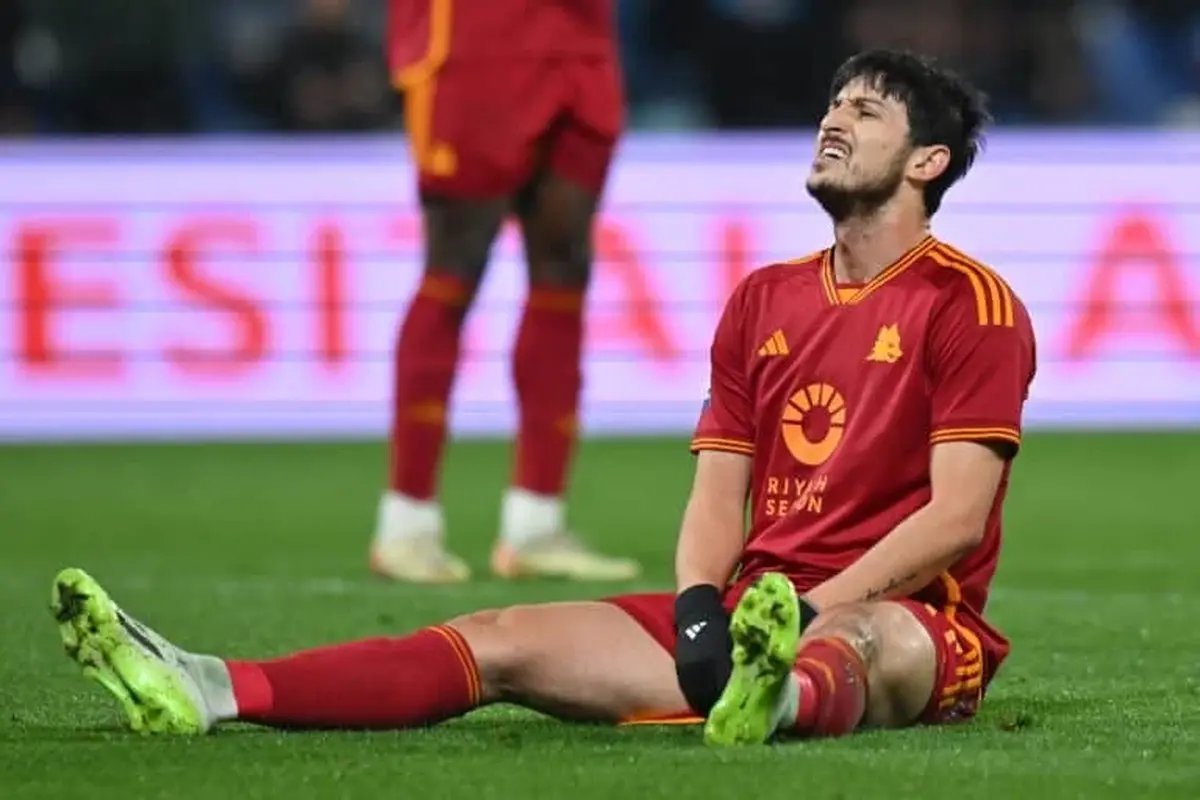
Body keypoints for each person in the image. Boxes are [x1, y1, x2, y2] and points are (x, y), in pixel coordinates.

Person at [49, 49, 1036, 743]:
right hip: (753, 618)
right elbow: (717, 492)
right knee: (501, 637)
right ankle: (211, 686)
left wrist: (807, 611)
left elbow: (955, 521)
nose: (833, 120)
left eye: (867, 112)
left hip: (911, 623)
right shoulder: (763, 298)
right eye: (834, 103)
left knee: (861, 643)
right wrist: (702, 605)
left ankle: (777, 699)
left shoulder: (972, 305)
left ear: (927, 162)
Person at [371, 0, 639, 583]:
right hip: (475, 35)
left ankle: (535, 525)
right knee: (456, 264)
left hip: (580, 39)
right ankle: (406, 525)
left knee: (564, 265)